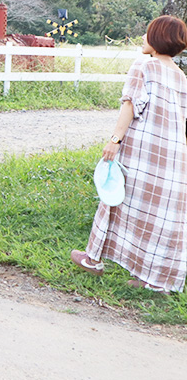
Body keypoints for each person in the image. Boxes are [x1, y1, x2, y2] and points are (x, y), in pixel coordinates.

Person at [70, 15, 187, 293]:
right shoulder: (181, 77)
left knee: (116, 196)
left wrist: (115, 140)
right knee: (160, 214)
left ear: (158, 38)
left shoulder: (144, 65)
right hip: (173, 156)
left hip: (141, 149)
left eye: (148, 34)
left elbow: (130, 106)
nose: (144, 39)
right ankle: (155, 280)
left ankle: (94, 258)